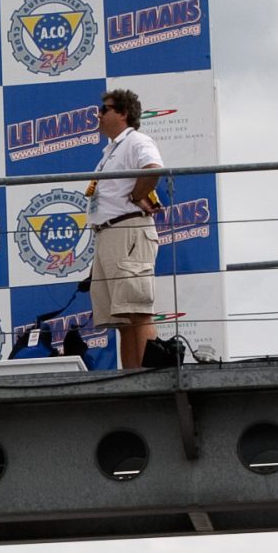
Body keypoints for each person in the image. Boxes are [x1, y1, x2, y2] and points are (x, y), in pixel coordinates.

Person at [85, 87, 164, 371]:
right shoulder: (111, 150)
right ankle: (131, 378)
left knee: (138, 311)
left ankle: (148, 379)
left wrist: (135, 195)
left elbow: (153, 168)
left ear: (123, 113)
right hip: (109, 233)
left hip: (128, 229)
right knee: (121, 319)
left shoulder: (136, 141)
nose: (99, 114)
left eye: (105, 109)